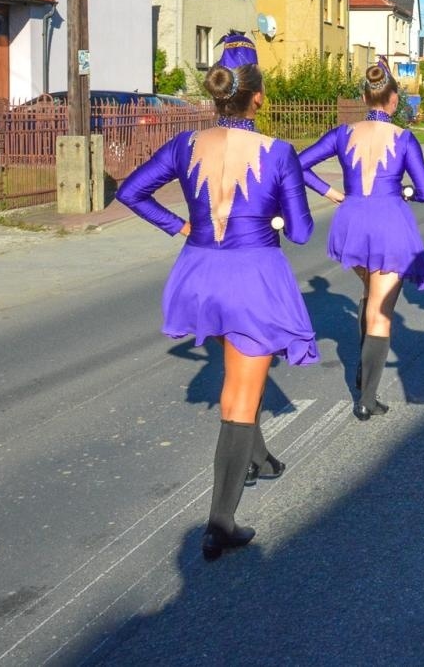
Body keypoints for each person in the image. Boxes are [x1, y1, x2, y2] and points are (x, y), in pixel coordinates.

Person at [116, 34, 316, 562]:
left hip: (199, 271)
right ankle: (221, 522)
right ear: (258, 98)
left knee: (238, 379)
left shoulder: (185, 145)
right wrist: (270, 214)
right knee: (240, 398)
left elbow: (130, 191)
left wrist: (180, 224)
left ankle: (263, 459)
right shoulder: (277, 152)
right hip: (253, 275)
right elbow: (299, 232)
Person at [299, 60, 424, 420]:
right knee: (381, 312)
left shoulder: (343, 133)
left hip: (352, 219)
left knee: (369, 294)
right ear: (393, 99)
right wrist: (404, 191)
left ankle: (363, 371)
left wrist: (331, 193)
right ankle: (367, 397)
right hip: (389, 220)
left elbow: (299, 164)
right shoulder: (404, 138)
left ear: (364, 97)